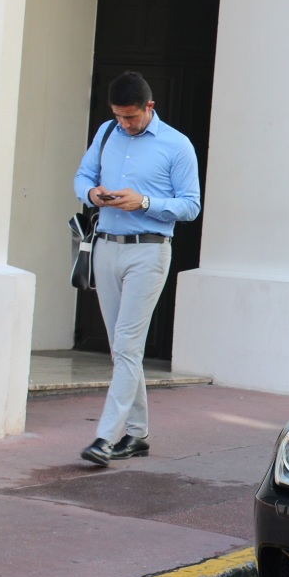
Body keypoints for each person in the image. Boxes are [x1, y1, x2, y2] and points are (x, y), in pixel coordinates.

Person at [73, 71, 201, 466]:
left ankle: (104, 438)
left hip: (148, 252)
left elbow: (190, 205)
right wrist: (92, 193)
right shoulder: (107, 133)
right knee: (121, 350)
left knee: (127, 345)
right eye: (118, 116)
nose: (124, 124)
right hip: (106, 248)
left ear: (150, 107)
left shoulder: (177, 145)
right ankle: (138, 434)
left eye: (131, 117)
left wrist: (144, 202)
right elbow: (82, 177)